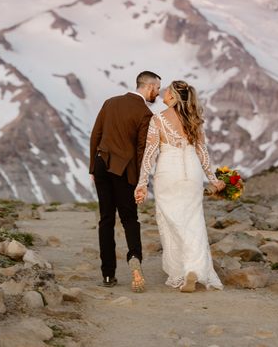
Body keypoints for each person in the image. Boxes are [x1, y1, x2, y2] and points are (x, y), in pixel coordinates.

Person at [134, 80, 225, 292]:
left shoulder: (158, 120)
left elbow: (150, 154)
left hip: (168, 173)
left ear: (174, 97)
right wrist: (213, 179)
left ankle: (181, 272)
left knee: (171, 221)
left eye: (167, 91)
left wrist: (141, 183)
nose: (163, 93)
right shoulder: (194, 121)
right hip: (192, 173)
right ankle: (193, 268)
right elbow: (202, 153)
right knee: (193, 221)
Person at [89, 70, 161, 291]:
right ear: (148, 87)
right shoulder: (144, 113)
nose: (158, 93)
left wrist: (93, 166)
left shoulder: (110, 102)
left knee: (106, 220)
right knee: (130, 219)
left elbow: (96, 135)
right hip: (125, 171)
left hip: (102, 164)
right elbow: (142, 150)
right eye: (157, 88)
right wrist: (141, 181)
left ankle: (108, 274)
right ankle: (134, 257)